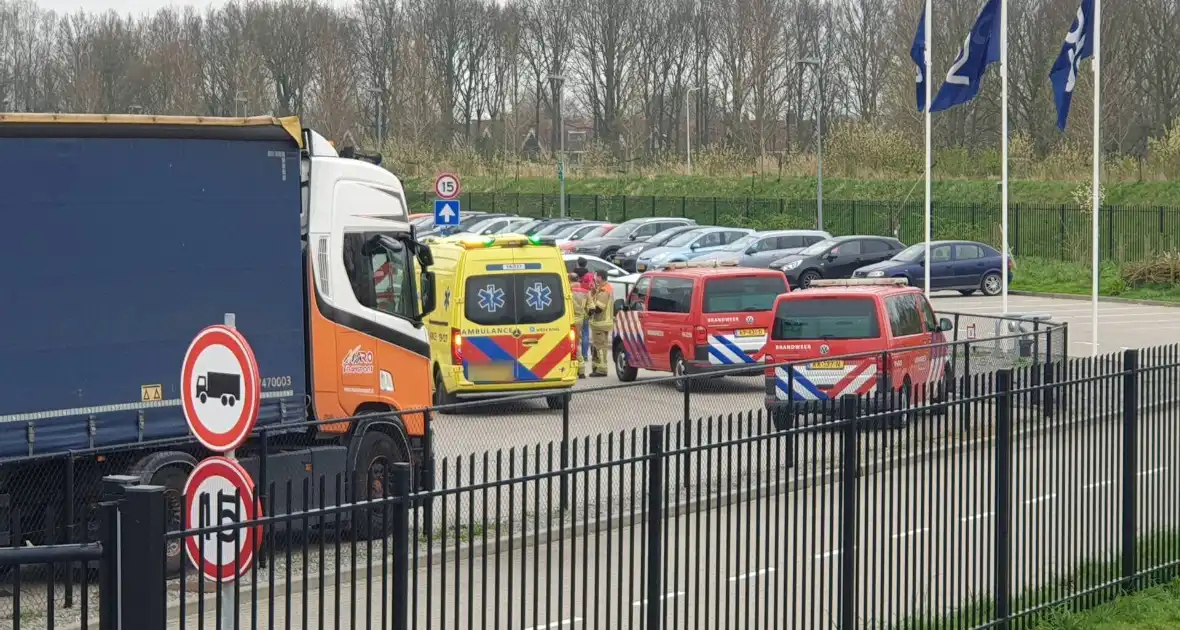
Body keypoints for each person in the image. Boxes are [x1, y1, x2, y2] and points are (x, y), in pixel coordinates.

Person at [587, 269, 615, 377]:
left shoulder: (604, 290)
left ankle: (601, 369)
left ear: (599, 277)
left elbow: (598, 308)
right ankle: (597, 368)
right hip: (603, 323)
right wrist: (594, 291)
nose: (594, 278)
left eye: (595, 277)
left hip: (600, 323)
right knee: (598, 346)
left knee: (599, 347)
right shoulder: (604, 288)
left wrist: (590, 300)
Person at [569, 273, 590, 378]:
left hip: (571, 320)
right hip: (581, 319)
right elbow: (591, 307)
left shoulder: (568, 291)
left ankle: (580, 369)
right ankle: (578, 368)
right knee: (578, 342)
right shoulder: (585, 292)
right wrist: (585, 315)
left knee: (574, 344)